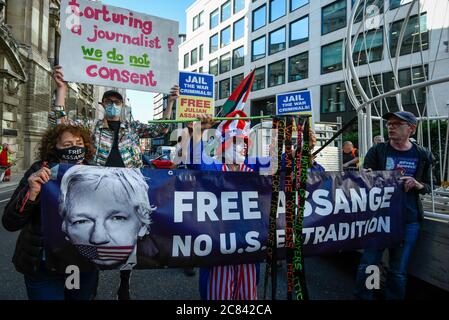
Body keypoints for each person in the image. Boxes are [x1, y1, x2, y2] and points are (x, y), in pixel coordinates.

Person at [51, 66, 177, 300]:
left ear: (122, 105)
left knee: (127, 235)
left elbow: (162, 128)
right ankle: (87, 285)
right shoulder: (92, 128)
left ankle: (124, 281)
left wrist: (169, 103)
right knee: (92, 233)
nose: (112, 104)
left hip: (127, 187)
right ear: (102, 105)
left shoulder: (132, 128)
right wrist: (61, 90)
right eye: (108, 101)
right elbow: (61, 124)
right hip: (98, 188)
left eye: (116, 101)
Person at [2, 124, 99, 300]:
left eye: (79, 143)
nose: (75, 148)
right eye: (67, 145)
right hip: (43, 267)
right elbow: (10, 223)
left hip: (78, 265)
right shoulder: (39, 172)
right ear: (54, 147)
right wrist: (31, 193)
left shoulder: (97, 174)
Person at [353, 111, 433, 300]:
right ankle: (364, 297)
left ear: (411, 129)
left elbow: (430, 184)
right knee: (369, 265)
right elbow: (363, 178)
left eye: (397, 124)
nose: (391, 126)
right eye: (389, 123)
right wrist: (367, 175)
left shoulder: (422, 154)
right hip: (378, 219)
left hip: (408, 220)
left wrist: (417, 184)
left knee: (398, 271)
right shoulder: (378, 150)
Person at [191, 110, 262, 300]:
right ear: (225, 146)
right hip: (219, 242)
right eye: (238, 143)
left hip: (248, 243)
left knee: (247, 295)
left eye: (245, 144)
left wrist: (300, 145)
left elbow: (282, 164)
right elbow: (196, 162)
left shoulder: (254, 167)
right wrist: (199, 131)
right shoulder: (214, 168)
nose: (243, 148)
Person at [58, 166, 155, 269]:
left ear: (143, 225)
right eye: (82, 221)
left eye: (117, 218)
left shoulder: (165, 256)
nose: (98, 238)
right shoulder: (57, 260)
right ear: (65, 226)